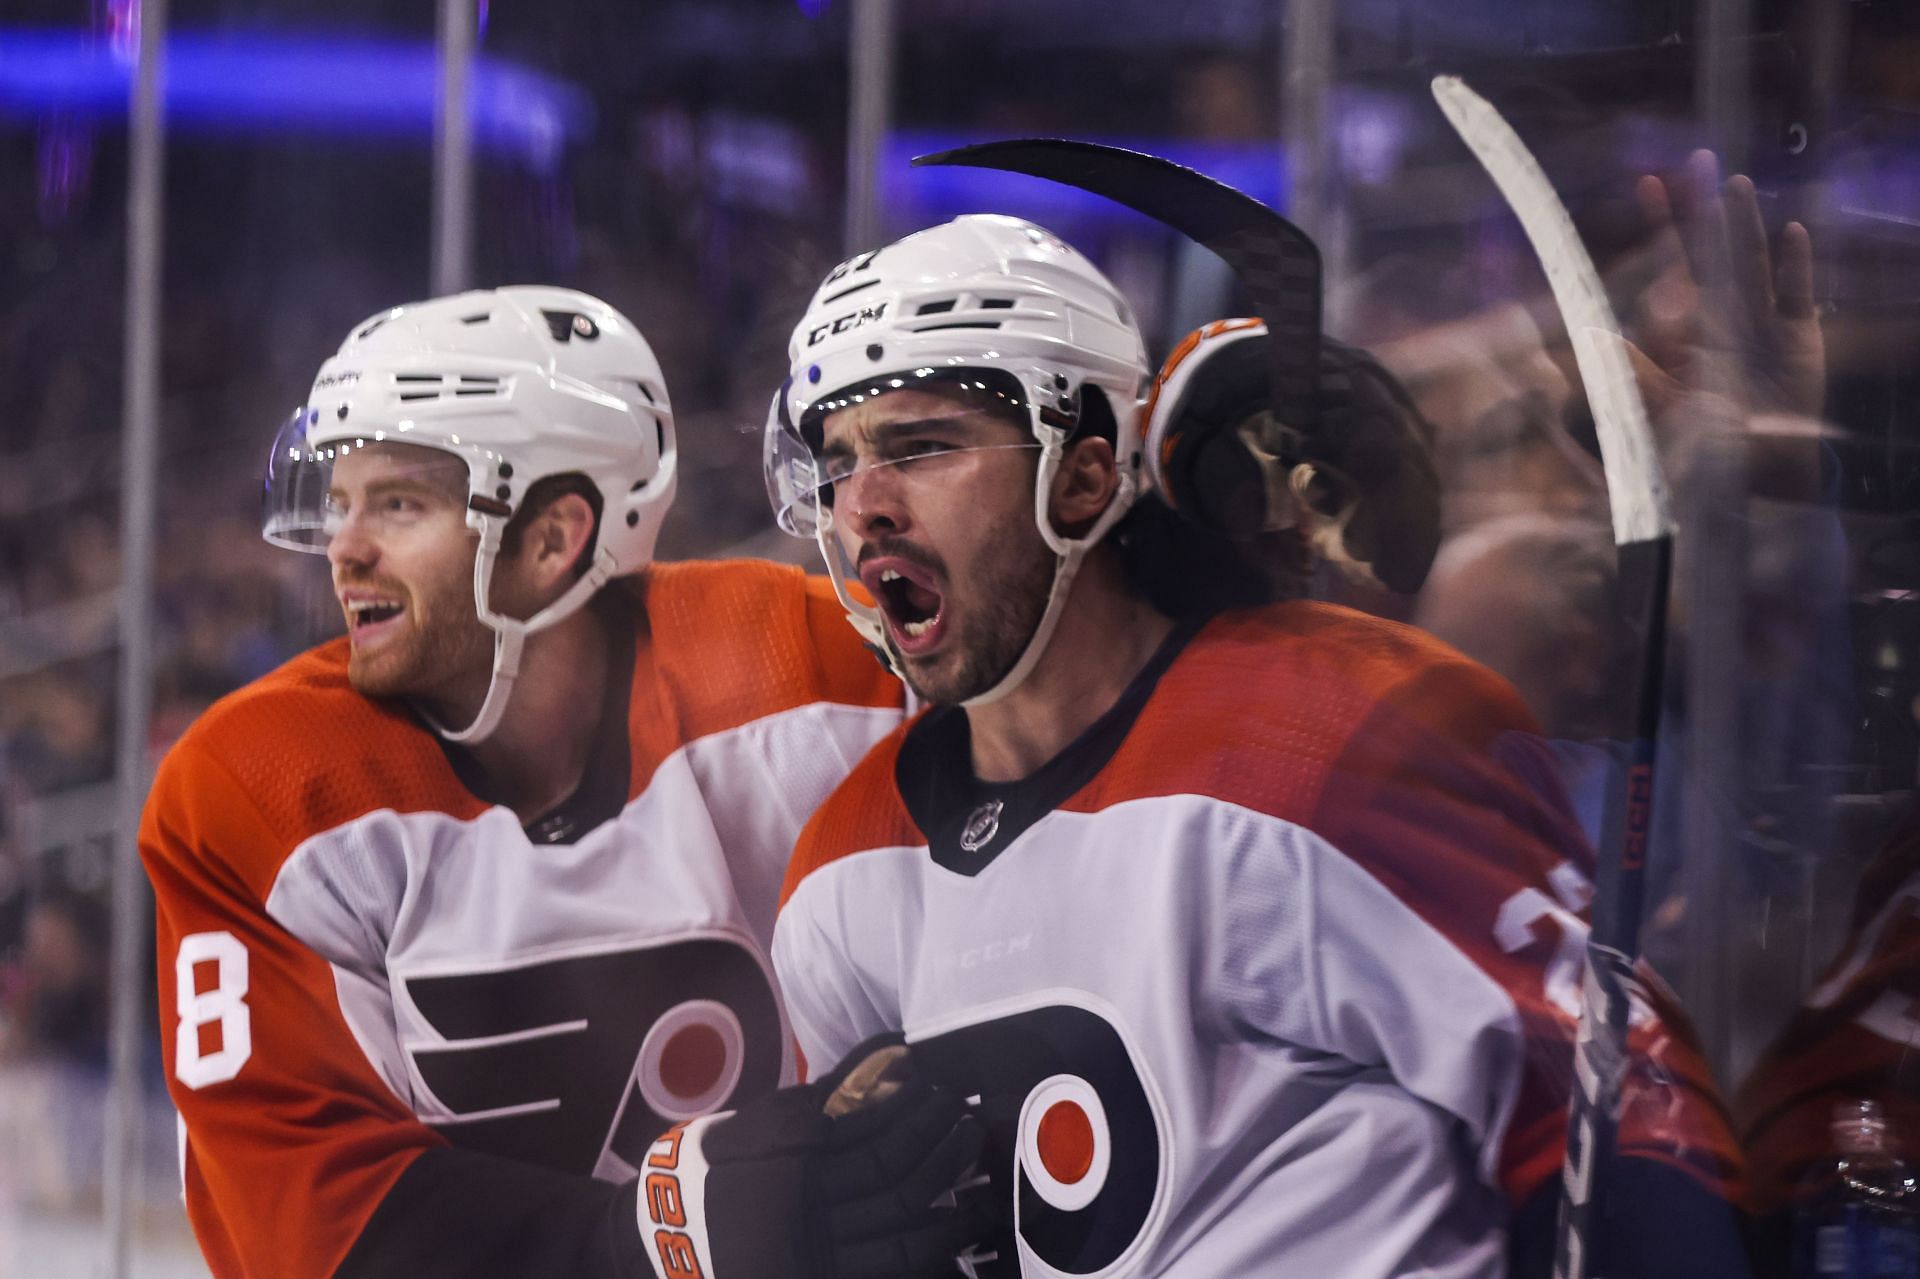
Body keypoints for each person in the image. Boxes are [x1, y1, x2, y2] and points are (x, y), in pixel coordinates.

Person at [758, 215, 1749, 1276]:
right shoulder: (840, 868)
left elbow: (1618, 1115)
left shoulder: (1336, 732)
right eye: (838, 463)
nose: (860, 506)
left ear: (1086, 478)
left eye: (921, 445)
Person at [141, 286, 987, 1278]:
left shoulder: (805, 669)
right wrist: (670, 1234)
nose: (345, 549)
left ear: (553, 539)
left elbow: (1053, 743)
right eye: (340, 504)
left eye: (399, 504)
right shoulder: (257, 787)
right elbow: (314, 1227)